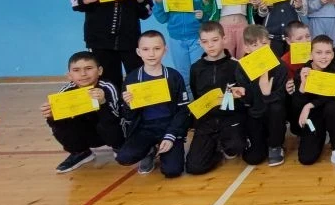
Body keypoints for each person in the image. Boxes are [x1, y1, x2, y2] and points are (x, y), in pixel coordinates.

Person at [116, 31, 192, 177]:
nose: (151, 54)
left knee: (172, 171)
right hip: (145, 127)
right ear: (138, 52)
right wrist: (128, 104)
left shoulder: (174, 76)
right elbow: (128, 116)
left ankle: (167, 147)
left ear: (165, 50)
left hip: (169, 125)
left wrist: (171, 135)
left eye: (157, 48)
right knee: (124, 158)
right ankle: (149, 150)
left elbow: (183, 110)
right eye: (146, 49)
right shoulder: (132, 78)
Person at [40, 52, 125, 173]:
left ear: (99, 71)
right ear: (69, 75)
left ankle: (119, 147)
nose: (83, 74)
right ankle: (80, 152)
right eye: (76, 70)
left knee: (112, 122)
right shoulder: (65, 92)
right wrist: (51, 116)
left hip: (108, 133)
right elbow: (57, 124)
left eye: (89, 68)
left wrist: (103, 103)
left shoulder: (107, 87)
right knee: (58, 122)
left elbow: (117, 117)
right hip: (85, 133)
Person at [184, 21, 245, 175]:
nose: (210, 45)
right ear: (200, 43)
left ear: (224, 39)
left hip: (230, 118)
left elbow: (244, 98)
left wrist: (238, 95)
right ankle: (215, 149)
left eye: (214, 40)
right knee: (194, 167)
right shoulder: (196, 68)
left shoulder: (236, 66)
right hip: (207, 123)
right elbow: (196, 95)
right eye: (205, 42)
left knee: (237, 147)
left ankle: (226, 143)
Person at [293, 35, 335, 170]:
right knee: (306, 159)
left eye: (327, 52)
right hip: (313, 118)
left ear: (332, 55)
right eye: (319, 52)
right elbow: (296, 107)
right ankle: (322, 134)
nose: (323, 57)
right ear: (311, 55)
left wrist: (310, 105)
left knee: (333, 106)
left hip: (331, 113)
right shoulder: (302, 73)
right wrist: (302, 86)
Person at [237, 25, 291, 167]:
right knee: (253, 158)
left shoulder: (280, 66)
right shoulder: (242, 67)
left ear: (270, 44)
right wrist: (243, 94)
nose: (261, 48)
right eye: (255, 45)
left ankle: (275, 145)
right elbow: (247, 101)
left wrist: (267, 94)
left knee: (276, 108)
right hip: (255, 114)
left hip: (274, 115)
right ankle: (254, 140)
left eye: (264, 43)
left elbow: (282, 96)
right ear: (247, 48)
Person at [152, 0, 206, 95]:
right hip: (176, 39)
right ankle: (188, 103)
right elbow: (162, 19)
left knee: (200, 73)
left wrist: (203, 15)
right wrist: (158, 4)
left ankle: (202, 104)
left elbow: (210, 15)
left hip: (197, 39)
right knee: (183, 75)